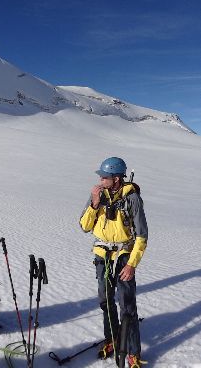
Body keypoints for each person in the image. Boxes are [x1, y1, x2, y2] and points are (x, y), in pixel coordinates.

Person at [79, 157, 147, 368]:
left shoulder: (132, 199)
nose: (100, 179)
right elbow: (84, 226)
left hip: (123, 256)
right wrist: (94, 203)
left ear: (116, 179)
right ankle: (113, 340)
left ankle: (133, 352)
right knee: (105, 302)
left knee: (128, 306)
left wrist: (131, 264)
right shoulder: (98, 195)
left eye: (104, 177)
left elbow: (142, 236)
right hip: (102, 257)